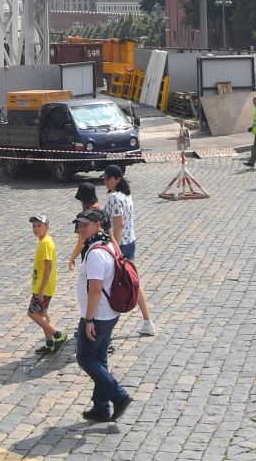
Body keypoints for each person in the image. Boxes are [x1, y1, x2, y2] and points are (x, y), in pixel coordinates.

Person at [70, 209, 131, 423]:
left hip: (99, 315)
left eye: (85, 224)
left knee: (85, 358)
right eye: (79, 224)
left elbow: (95, 289)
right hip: (109, 312)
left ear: (97, 225)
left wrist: (88, 320)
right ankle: (101, 407)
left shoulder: (96, 253)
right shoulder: (108, 244)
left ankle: (119, 395)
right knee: (100, 358)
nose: (81, 228)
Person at [102, 165, 155, 337]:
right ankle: (147, 322)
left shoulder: (115, 198)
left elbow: (119, 224)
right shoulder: (126, 195)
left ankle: (104, 326)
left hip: (120, 244)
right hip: (130, 241)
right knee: (133, 282)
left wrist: (114, 249)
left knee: (110, 285)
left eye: (107, 178)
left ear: (116, 179)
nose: (105, 181)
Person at [27, 214, 64, 355]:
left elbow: (48, 267)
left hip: (43, 287)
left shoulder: (45, 243)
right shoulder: (44, 240)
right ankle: (49, 344)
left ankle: (58, 334)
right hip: (41, 286)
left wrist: (41, 291)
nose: (36, 229)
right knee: (42, 313)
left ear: (47, 227)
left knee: (32, 313)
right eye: (34, 226)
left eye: (39, 226)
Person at [66, 183, 101, 268]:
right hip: (104, 253)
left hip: (89, 256)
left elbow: (80, 243)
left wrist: (72, 258)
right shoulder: (103, 213)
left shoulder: (82, 217)